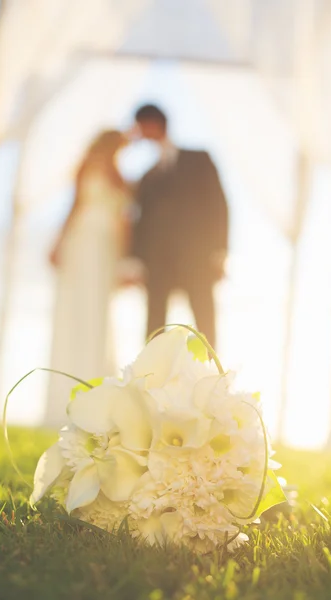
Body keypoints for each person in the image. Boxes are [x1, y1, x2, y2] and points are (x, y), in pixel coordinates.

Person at [45, 130, 129, 425]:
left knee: (98, 315)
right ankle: (66, 395)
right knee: (76, 312)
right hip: (83, 242)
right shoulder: (87, 167)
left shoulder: (121, 177)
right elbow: (75, 206)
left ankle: (98, 396)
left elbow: (125, 220)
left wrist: (124, 261)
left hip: (107, 248)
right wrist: (58, 243)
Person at [129, 104, 229, 349]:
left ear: (153, 124)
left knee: (205, 322)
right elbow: (140, 222)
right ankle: (151, 381)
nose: (138, 133)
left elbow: (218, 203)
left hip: (197, 258)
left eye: (141, 126)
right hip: (158, 263)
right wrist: (136, 260)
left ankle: (213, 378)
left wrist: (219, 252)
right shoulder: (147, 175)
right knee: (154, 329)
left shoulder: (199, 158)